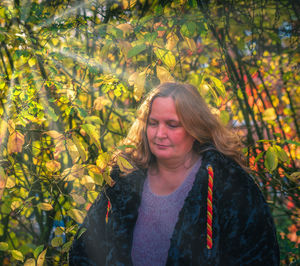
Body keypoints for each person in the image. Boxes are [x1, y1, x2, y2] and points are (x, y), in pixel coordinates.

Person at [69, 82, 280, 265]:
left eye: (172, 125)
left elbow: (259, 256)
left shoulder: (230, 184)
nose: (160, 134)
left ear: (195, 128)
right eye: (153, 123)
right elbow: (85, 251)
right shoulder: (123, 179)